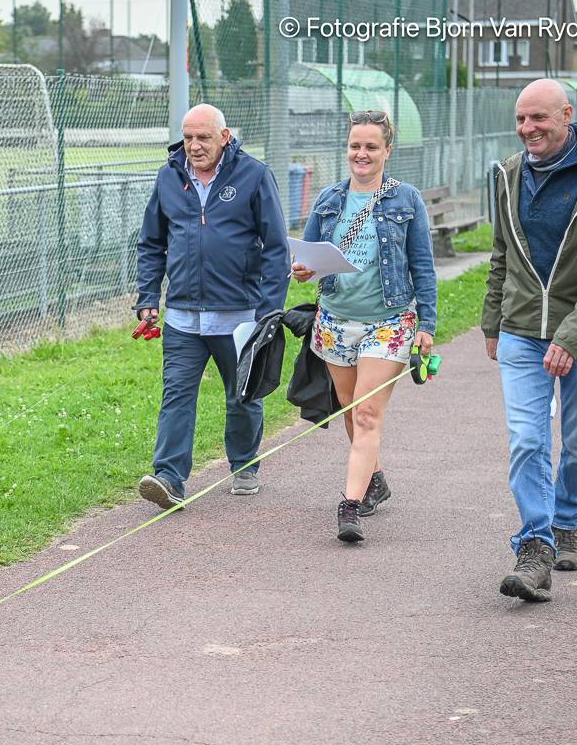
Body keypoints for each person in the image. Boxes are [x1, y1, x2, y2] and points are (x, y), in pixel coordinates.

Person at [483, 79, 577, 602]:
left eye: (539, 119)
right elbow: (502, 254)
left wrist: (570, 336)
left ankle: (569, 521)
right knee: (527, 439)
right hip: (523, 329)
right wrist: (491, 321)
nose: (528, 129)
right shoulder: (506, 175)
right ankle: (536, 546)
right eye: (521, 119)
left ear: (567, 115)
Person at [134, 103, 290, 510]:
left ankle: (244, 464)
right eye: (188, 137)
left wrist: (270, 310)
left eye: (203, 137)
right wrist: (148, 296)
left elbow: (276, 249)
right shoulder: (169, 177)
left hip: (239, 314)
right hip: (183, 317)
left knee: (242, 395)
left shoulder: (254, 176)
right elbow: (152, 242)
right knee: (176, 396)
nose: (194, 146)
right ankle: (169, 477)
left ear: (224, 137)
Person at [291, 110, 437, 543]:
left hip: (389, 322)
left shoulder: (406, 199)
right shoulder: (329, 199)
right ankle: (375, 479)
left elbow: (423, 266)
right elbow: (308, 255)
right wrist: (302, 270)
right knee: (352, 410)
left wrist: (426, 323)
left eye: (372, 146)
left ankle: (349, 505)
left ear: (387, 151)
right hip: (335, 319)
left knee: (369, 412)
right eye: (356, 145)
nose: (362, 153)